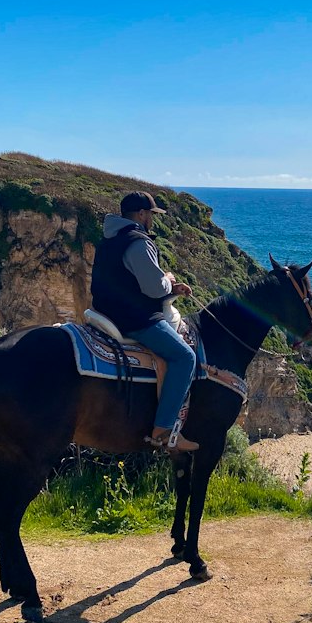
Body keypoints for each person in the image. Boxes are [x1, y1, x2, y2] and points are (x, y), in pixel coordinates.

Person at [91, 191, 197, 450]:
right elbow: (153, 287)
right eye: (151, 214)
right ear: (140, 214)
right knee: (185, 358)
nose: (152, 219)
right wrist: (170, 282)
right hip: (134, 317)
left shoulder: (110, 237)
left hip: (105, 311)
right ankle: (163, 431)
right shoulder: (139, 242)